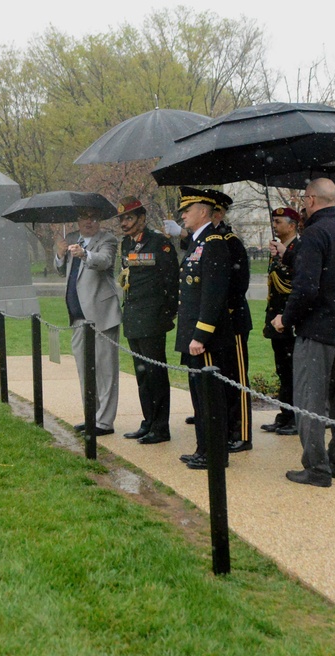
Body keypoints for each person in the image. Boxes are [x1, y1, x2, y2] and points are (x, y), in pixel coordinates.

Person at [272, 178, 335, 488]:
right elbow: (332, 273)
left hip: (317, 332)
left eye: (302, 199)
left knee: (309, 400)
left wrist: (285, 318)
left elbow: (306, 288)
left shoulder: (313, 234)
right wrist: (289, 254)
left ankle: (316, 468)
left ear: (310, 200)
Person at [174, 188, 234, 470]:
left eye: (188, 209)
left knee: (210, 399)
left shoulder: (214, 243)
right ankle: (204, 448)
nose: (183, 214)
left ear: (203, 212)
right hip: (193, 335)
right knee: (199, 397)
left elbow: (213, 295)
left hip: (206, 338)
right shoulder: (198, 243)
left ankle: (215, 454)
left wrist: (201, 334)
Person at [55, 205, 122, 436]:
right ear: (78, 220)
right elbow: (61, 270)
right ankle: (91, 416)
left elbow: (103, 261)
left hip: (102, 315)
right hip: (78, 317)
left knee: (105, 371)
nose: (89, 222)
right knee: (85, 370)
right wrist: (60, 253)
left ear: (99, 220)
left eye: (94, 217)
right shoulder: (71, 238)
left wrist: (84, 254)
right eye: (85, 217)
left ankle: (105, 422)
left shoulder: (108, 240)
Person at [116, 196, 179, 444]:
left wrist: (167, 312)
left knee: (155, 373)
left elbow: (171, 280)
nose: (124, 223)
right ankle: (148, 421)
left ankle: (161, 427)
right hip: (133, 316)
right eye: (122, 219)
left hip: (153, 317)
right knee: (141, 374)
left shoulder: (159, 243)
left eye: (129, 218)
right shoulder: (126, 244)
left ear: (142, 218)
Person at [207, 190, 253, 453]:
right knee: (222, 376)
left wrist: (224, 310)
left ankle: (242, 432)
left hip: (233, 320)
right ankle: (225, 426)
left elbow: (239, 284)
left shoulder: (230, 240)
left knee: (237, 378)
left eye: (211, 211)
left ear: (220, 213)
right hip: (218, 322)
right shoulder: (209, 240)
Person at [261, 207, 300, 435]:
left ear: (292, 225)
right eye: (273, 221)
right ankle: (284, 415)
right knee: (283, 370)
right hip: (276, 319)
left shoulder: (299, 249)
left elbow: (298, 284)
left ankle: (296, 416)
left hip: (290, 320)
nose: (274, 225)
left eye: (278, 222)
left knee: (294, 371)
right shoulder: (276, 250)